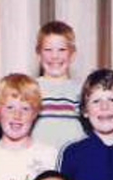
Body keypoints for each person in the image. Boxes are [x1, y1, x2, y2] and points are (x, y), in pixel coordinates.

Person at [32, 20, 86, 150]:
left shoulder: (83, 90)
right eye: (48, 50)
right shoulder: (31, 88)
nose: (55, 56)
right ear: (39, 55)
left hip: (73, 160)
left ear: (72, 55)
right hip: (40, 161)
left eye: (61, 50)